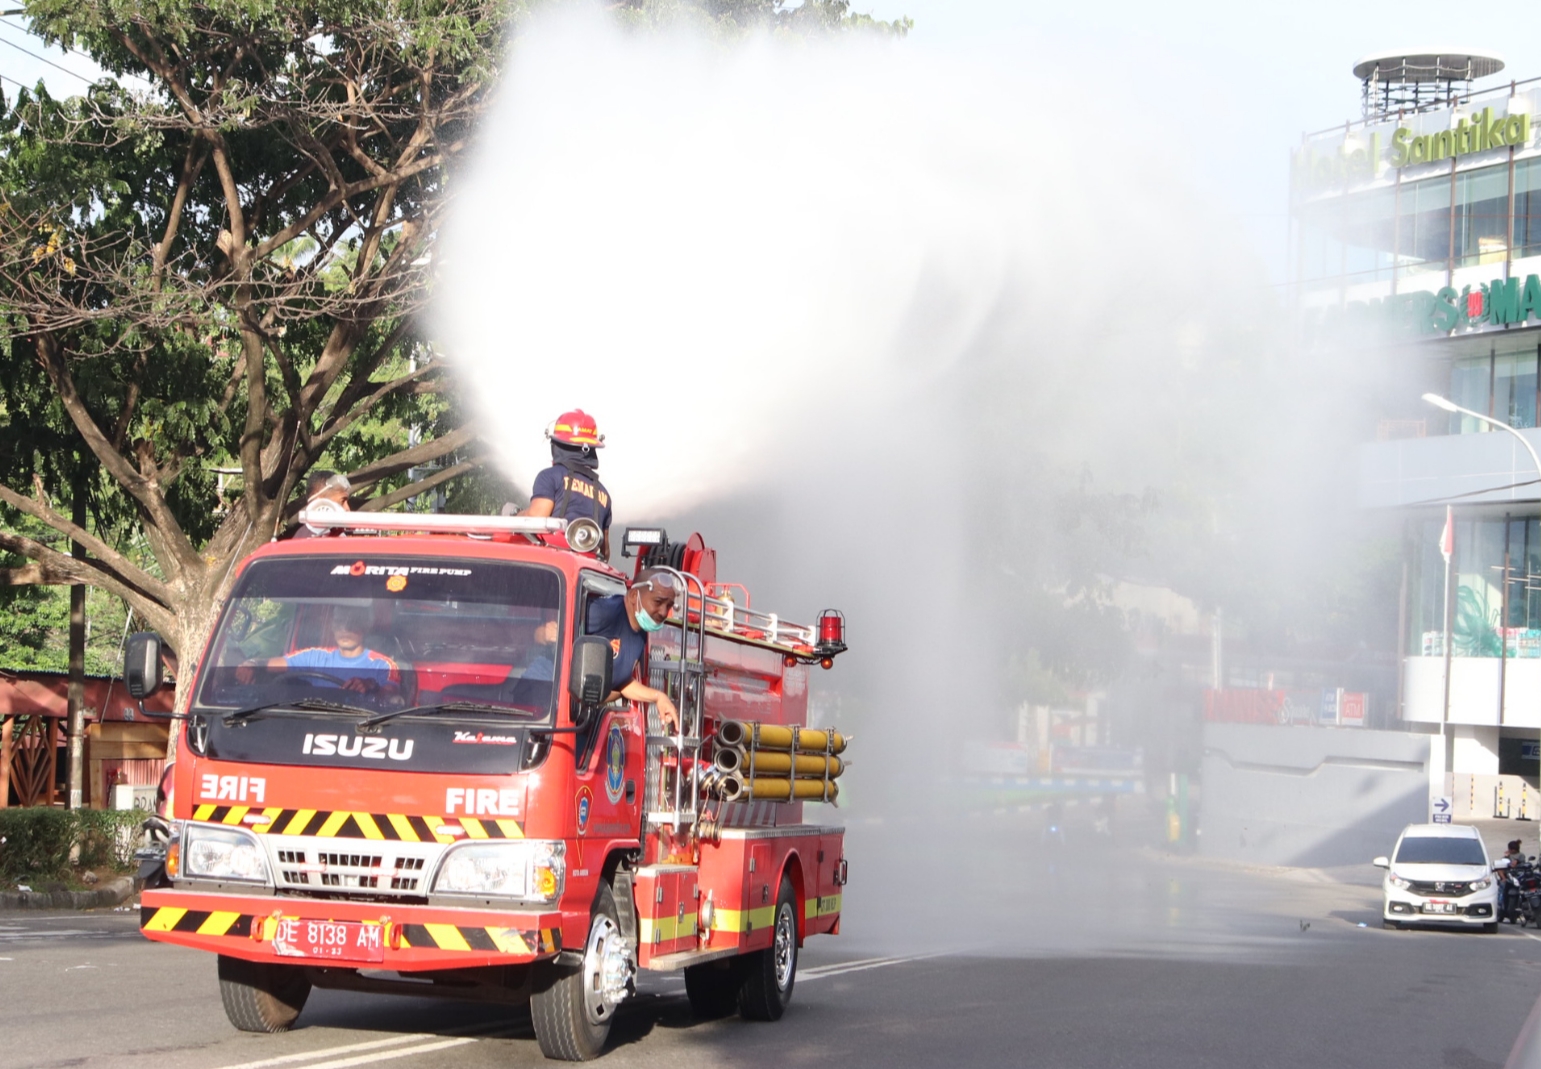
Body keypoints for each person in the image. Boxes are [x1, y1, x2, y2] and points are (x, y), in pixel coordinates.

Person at [584, 568, 679, 732]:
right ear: (634, 596)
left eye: (669, 605)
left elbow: (622, 683)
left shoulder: (640, 632)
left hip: (588, 716)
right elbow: (552, 632)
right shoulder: (605, 612)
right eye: (658, 602)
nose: (664, 612)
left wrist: (659, 697)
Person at [236, 605, 398, 694]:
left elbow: (392, 698)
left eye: (352, 623)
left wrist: (370, 686)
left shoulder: (383, 665)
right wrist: (251, 664)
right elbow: (269, 663)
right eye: (339, 622)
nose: (344, 628)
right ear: (332, 626)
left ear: (365, 627)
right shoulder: (315, 656)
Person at [517, 410, 613, 557]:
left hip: (552, 559)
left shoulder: (549, 477)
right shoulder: (603, 494)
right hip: (585, 565)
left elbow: (536, 519)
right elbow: (605, 552)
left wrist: (517, 514)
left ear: (557, 444)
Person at [288, 470, 352, 540]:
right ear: (320, 504)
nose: (348, 509)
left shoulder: (340, 534)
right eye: (342, 501)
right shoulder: (302, 542)